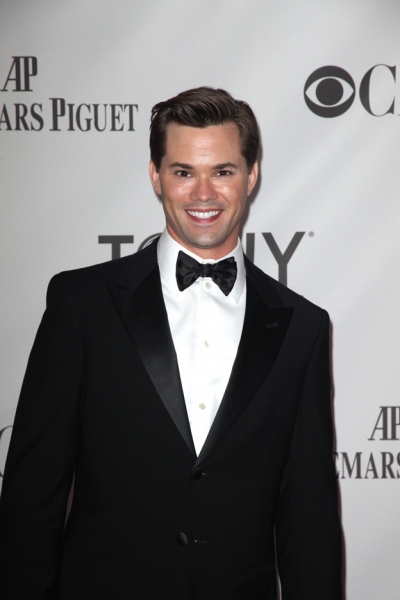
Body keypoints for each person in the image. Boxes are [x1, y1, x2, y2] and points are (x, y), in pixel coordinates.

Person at [0, 87, 342, 599]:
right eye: (184, 172)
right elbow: (32, 496)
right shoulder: (82, 304)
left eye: (222, 171)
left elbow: (309, 519)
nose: (203, 193)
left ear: (251, 176)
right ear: (156, 176)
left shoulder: (303, 329)